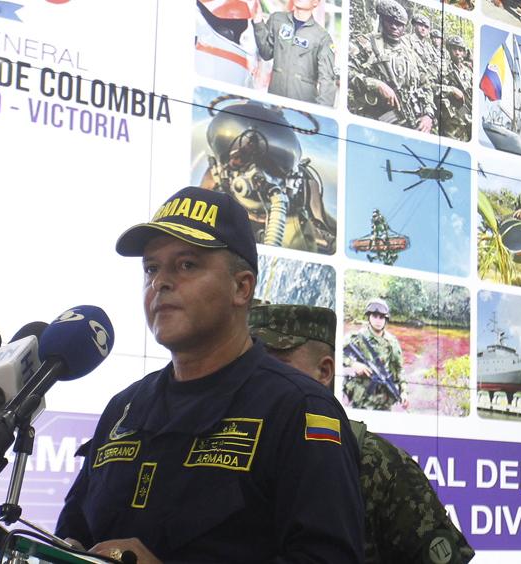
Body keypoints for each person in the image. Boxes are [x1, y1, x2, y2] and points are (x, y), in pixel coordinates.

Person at [57, 187, 365, 563]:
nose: (160, 282)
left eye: (186, 265)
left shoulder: (298, 409)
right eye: (152, 268)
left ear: (241, 287)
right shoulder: (123, 409)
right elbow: (72, 534)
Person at [249, 304, 475, 564]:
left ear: (323, 372)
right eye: (253, 365)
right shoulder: (233, 451)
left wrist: (401, 391)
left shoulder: (376, 463)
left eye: (278, 366)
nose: (260, 378)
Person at [348, 0, 436, 133]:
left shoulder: (410, 52)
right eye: (390, 21)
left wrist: (428, 115)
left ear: (405, 27)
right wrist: (376, 84)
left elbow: (426, 84)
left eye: (399, 24)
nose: (394, 27)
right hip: (375, 119)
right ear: (382, 20)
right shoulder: (366, 43)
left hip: (413, 119)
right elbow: (343, 71)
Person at [253, 0, 338, 106]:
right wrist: (258, 23)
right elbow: (266, 53)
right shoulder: (277, 20)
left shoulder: (322, 37)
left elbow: (327, 80)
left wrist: (322, 115)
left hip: (302, 110)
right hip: (275, 103)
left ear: (315, 2)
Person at [343, 298, 405, 411]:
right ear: (369, 317)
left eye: (381, 317)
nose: (378, 320)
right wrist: (353, 364)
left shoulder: (392, 342)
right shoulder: (357, 338)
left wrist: (404, 392)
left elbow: (399, 370)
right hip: (362, 399)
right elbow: (337, 353)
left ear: (386, 320)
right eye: (375, 316)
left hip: (384, 402)